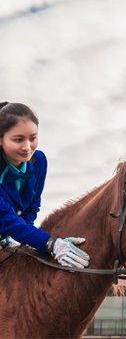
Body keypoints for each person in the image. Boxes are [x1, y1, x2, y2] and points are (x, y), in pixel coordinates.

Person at [0, 101, 90, 268]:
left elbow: (33, 207)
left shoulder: (39, 160)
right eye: (18, 139)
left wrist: (24, 238)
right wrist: (50, 244)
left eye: (33, 138)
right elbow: (6, 219)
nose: (27, 147)